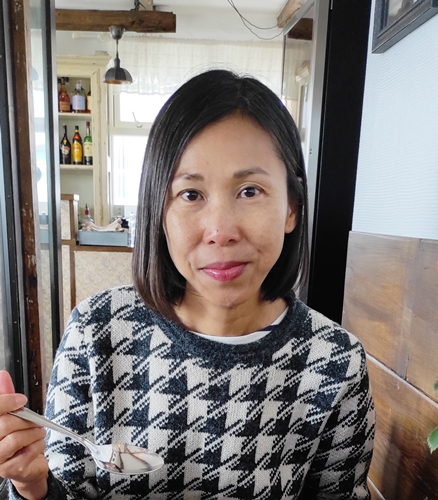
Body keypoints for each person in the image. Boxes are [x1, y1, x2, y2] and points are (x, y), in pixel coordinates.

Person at [0, 69, 375, 499]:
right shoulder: (96, 332)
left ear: (291, 207)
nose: (221, 231)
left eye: (249, 191)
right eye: (191, 195)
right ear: (159, 213)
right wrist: (30, 485)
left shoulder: (335, 363)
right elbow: (64, 487)